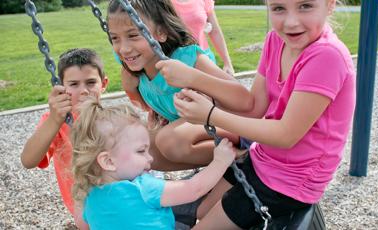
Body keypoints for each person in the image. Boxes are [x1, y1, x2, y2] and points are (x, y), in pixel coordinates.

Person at [158, 0, 356, 228]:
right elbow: (254, 107)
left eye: (305, 6)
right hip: (263, 157)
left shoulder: (326, 56)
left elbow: (286, 134)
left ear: (329, 5)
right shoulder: (276, 40)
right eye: (278, 8)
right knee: (199, 210)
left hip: (290, 181)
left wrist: (210, 114)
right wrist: (193, 78)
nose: (291, 22)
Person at [106, 0, 252, 170]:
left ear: (161, 32)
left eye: (133, 35)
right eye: (115, 38)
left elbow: (245, 100)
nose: (124, 49)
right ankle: (211, 173)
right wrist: (130, 88)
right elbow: (146, 107)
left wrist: (192, 77)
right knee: (142, 148)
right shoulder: (135, 71)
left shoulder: (187, 59)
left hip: (232, 125)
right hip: (194, 132)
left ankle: (243, 157)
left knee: (168, 140)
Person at [70, 97, 236, 229]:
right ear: (108, 161)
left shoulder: (89, 196)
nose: (150, 158)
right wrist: (220, 161)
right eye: (141, 151)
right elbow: (194, 189)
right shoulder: (142, 188)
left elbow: (84, 225)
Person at [20, 48, 109, 229]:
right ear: (61, 87)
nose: (83, 91)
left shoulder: (112, 118)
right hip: (84, 210)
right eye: (74, 84)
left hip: (116, 200)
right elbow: (28, 160)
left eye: (91, 82)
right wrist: (54, 119)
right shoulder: (56, 123)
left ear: (104, 83)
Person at [171, 0, 234, 75]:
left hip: (205, 60)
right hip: (176, 64)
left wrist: (227, 63)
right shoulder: (161, 2)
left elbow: (215, 31)